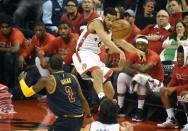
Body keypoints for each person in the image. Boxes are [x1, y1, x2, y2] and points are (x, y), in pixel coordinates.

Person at [72, 7, 145, 101]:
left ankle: (104, 110)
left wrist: (136, 50)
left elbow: (122, 42)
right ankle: (101, 98)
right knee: (97, 72)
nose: (111, 22)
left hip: (95, 57)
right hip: (83, 53)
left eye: (113, 20)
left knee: (110, 92)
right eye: (109, 19)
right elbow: (105, 40)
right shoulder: (96, 23)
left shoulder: (111, 29)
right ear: (103, 16)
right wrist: (120, 52)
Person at [18, 55, 93, 131]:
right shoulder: (73, 77)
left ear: (49, 65)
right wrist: (89, 116)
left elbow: (27, 93)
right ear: (62, 65)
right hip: (79, 118)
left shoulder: (47, 80)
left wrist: (21, 80)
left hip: (66, 120)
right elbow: (82, 99)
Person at [116, 36, 164, 121]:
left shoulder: (154, 55)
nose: (140, 47)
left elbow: (144, 69)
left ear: (147, 45)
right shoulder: (134, 54)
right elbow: (125, 68)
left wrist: (133, 66)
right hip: (141, 79)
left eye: (142, 45)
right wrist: (137, 71)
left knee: (141, 78)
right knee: (122, 76)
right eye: (138, 45)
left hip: (156, 83)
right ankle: (120, 107)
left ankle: (140, 111)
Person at [157, 45, 188, 128]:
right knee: (163, 90)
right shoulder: (177, 66)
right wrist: (168, 88)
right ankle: (172, 119)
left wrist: (175, 88)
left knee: (184, 94)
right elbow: (173, 81)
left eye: (182, 57)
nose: (179, 59)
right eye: (178, 57)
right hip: (180, 92)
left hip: (184, 93)